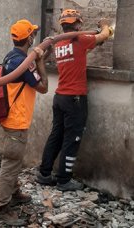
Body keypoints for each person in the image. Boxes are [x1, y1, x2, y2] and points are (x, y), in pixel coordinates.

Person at [36, 10, 112, 191]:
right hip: (74, 99)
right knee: (72, 138)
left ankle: (44, 173)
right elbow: (104, 34)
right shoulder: (80, 39)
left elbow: (83, 50)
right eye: (80, 24)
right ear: (77, 24)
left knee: (56, 135)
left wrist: (99, 40)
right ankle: (64, 179)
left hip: (60, 96)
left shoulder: (60, 42)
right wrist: (104, 25)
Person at [0, 19, 48, 226]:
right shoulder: (21, 63)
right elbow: (43, 86)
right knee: (11, 163)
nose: (35, 36)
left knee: (13, 160)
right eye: (33, 33)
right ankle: (2, 206)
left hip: (10, 118)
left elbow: (27, 76)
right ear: (30, 38)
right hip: (17, 120)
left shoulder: (12, 56)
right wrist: (41, 62)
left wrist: (41, 56)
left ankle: (14, 192)